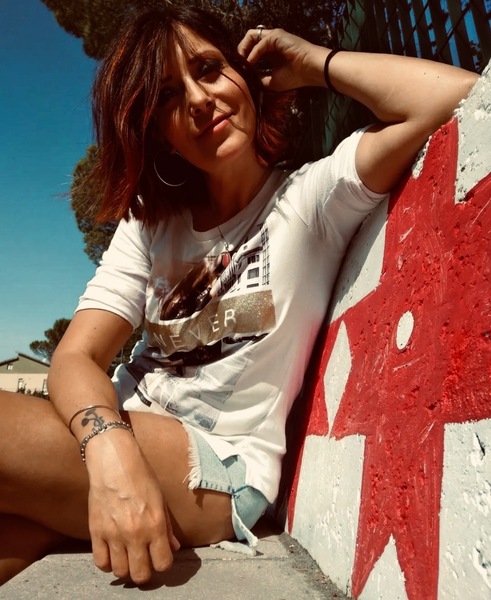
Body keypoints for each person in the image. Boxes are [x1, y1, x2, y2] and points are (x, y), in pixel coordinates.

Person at [0, 4, 478, 587]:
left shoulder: (310, 200)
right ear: (160, 134)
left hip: (221, 468)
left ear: (244, 78)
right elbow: (76, 356)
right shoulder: (150, 223)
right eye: (169, 96)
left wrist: (315, 63)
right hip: (119, 432)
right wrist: (111, 455)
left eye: (208, 69)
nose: (200, 100)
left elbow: (456, 95)